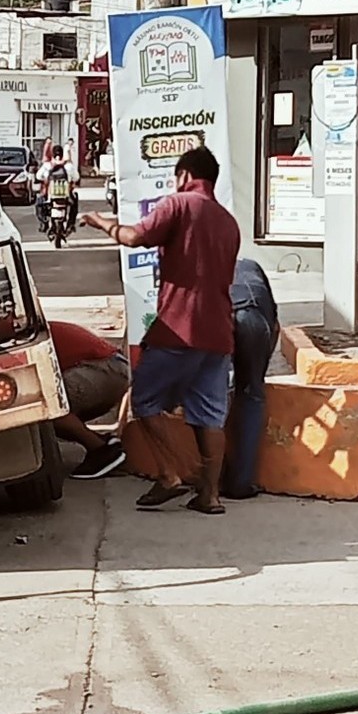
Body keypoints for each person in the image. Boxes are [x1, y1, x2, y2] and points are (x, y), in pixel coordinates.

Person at [81, 145, 240, 515]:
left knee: (145, 400)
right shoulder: (228, 222)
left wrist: (101, 222)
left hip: (179, 329)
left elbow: (135, 237)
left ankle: (170, 474)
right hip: (218, 334)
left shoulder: (178, 204)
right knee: (209, 415)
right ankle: (210, 496)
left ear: (185, 176)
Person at [224, 257, 279, 500]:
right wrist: (258, 373)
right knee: (251, 395)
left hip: (222, 318)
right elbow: (275, 327)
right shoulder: (251, 267)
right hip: (255, 319)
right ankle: (241, 481)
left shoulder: (205, 265)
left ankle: (210, 480)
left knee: (212, 396)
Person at [48, 320, 131, 479]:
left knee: (48, 407)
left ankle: (101, 451)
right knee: (48, 415)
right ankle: (103, 443)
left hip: (105, 369)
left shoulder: (19, 330)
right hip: (111, 369)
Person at [36, 144, 78, 234]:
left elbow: (38, 176)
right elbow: (76, 178)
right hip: (66, 195)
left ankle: (44, 223)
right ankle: (71, 224)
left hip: (49, 195)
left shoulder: (47, 165)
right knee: (74, 205)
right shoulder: (69, 166)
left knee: (39, 204)